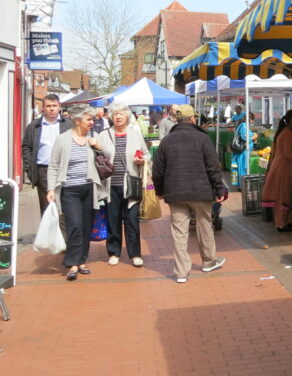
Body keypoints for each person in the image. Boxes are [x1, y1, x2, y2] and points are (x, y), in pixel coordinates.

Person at [152, 104, 229, 284]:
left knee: (179, 232)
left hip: (175, 192)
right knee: (205, 225)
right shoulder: (203, 138)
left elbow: (157, 171)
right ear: (193, 119)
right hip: (201, 191)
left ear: (176, 120)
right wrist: (219, 188)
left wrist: (160, 191)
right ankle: (209, 261)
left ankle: (181, 272)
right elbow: (213, 167)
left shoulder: (167, 141)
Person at [47, 105, 111, 281]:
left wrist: (98, 146)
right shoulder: (63, 139)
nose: (92, 122)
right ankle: (72, 263)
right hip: (69, 190)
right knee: (74, 225)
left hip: (89, 189)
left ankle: (82, 261)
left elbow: (108, 156)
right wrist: (51, 188)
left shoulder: (94, 137)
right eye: (89, 119)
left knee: (85, 226)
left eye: (92, 119)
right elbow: (53, 165)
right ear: (77, 121)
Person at [98, 103, 148, 267]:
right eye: (115, 114)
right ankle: (114, 252)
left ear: (127, 116)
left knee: (132, 220)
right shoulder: (104, 135)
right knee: (113, 220)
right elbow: (98, 158)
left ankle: (135, 254)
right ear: (111, 117)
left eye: (121, 114)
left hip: (131, 184)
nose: (118, 117)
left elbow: (146, 155)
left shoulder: (135, 134)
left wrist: (142, 160)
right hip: (111, 185)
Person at [21, 93, 71, 214]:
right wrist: (29, 168)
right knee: (47, 206)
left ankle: (62, 232)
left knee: (65, 205)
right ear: (43, 107)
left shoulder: (68, 124)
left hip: (65, 169)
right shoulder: (35, 125)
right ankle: (47, 232)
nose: (52, 108)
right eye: (48, 106)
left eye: (54, 105)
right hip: (43, 170)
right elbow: (26, 147)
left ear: (59, 106)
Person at [262, 109, 292, 232]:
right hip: (282, 168)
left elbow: (286, 151)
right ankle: (281, 223)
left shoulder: (284, 132)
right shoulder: (287, 133)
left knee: (284, 195)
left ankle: (287, 221)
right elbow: (288, 154)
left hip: (282, 167)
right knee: (282, 196)